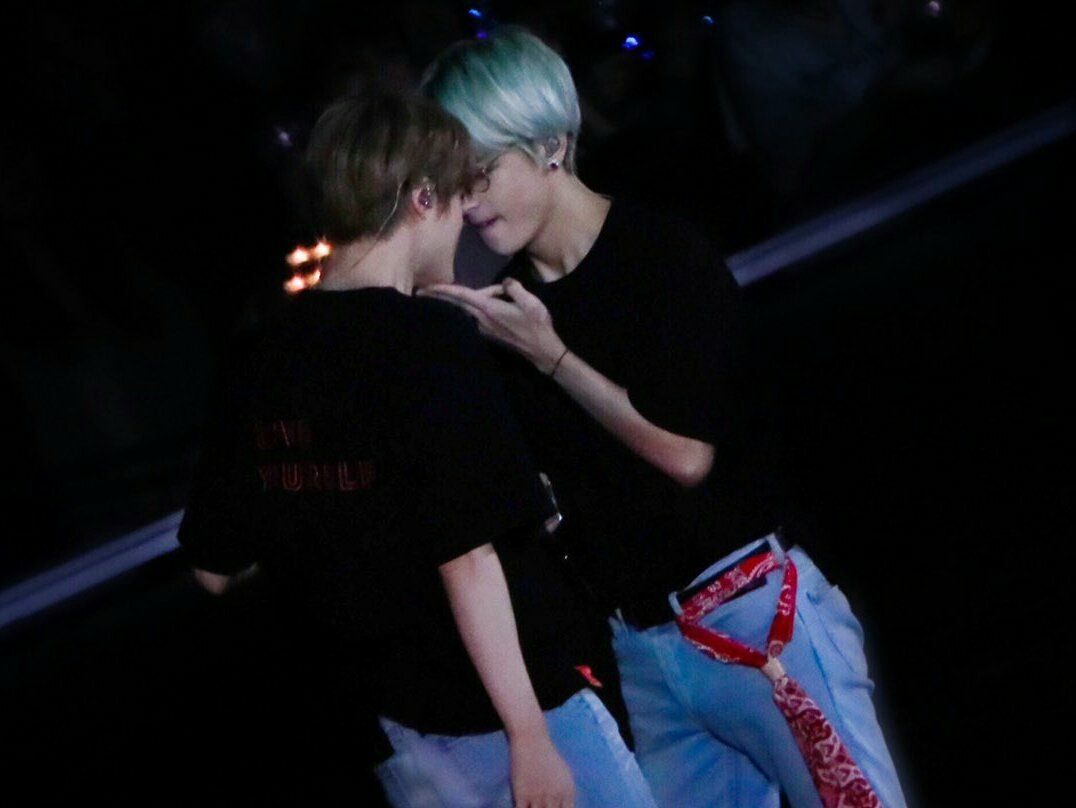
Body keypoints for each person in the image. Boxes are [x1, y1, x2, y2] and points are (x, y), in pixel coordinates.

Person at [420, 27, 907, 808]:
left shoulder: (659, 256)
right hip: (644, 646)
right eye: (453, 179)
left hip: (754, 618)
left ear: (551, 144)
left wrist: (552, 357)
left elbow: (688, 456)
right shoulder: (509, 310)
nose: (468, 199)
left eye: (481, 171)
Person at [177, 91, 656, 808]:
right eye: (458, 199)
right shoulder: (427, 342)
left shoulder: (256, 358)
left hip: (400, 740)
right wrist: (529, 736)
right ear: (423, 198)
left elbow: (215, 569)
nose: (465, 220)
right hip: (517, 715)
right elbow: (469, 559)